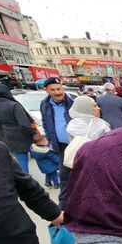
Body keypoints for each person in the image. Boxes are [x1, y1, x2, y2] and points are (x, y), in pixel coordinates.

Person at [40, 77, 74, 207]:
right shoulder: (45, 105)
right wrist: (50, 140)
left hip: (75, 145)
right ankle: (63, 206)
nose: (57, 92)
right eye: (53, 90)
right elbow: (45, 123)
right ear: (47, 90)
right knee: (64, 176)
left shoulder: (72, 103)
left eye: (59, 89)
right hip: (60, 146)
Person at [0, 83, 36, 172]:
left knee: (5, 163)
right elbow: (24, 124)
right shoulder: (14, 105)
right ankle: (24, 179)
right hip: (18, 137)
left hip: (0, 138)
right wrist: (32, 133)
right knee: (22, 159)